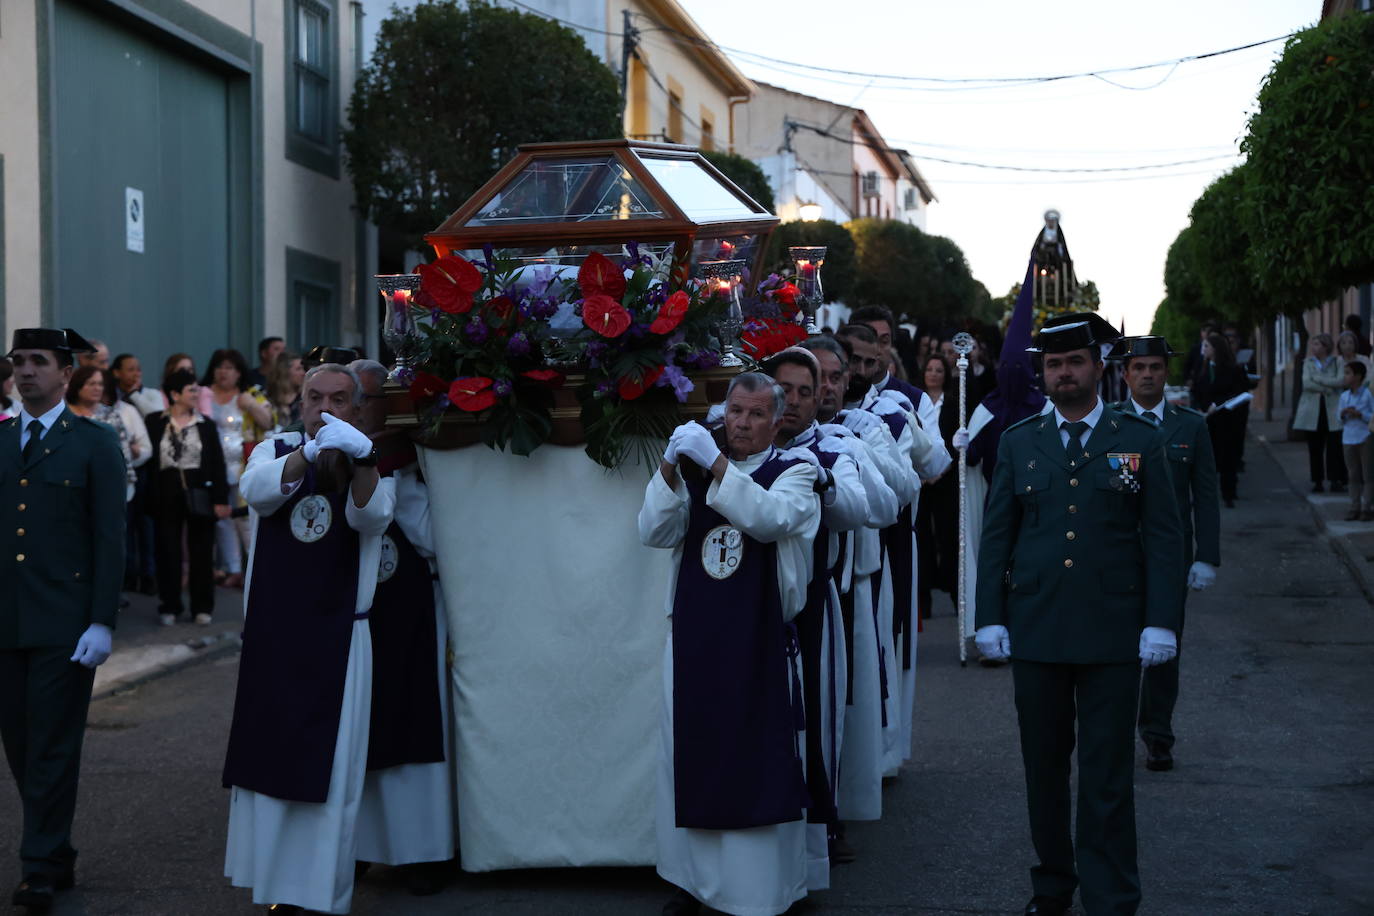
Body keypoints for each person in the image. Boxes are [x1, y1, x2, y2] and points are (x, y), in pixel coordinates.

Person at [975, 320, 1185, 916]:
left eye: (1073, 362)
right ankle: (1052, 885)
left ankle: (1111, 894)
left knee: (1107, 774)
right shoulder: (1019, 441)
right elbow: (997, 541)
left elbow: (1165, 537)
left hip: (1114, 631)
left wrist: (1161, 621)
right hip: (1038, 630)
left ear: (1099, 367)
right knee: (1044, 770)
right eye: (1053, 364)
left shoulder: (1139, 439)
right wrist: (988, 616)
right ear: (1042, 373)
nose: (1062, 373)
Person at [638, 372, 819, 916]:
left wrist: (714, 465)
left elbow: (769, 519)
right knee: (691, 751)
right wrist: (670, 463)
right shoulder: (694, 470)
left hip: (760, 637)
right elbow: (652, 530)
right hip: (695, 635)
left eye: (756, 414)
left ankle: (764, 891)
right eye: (736, 411)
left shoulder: (796, 470)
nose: (742, 423)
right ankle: (694, 884)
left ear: (776, 421)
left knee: (756, 756)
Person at [222, 363, 394, 914]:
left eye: (339, 399)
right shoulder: (272, 448)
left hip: (342, 636)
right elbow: (257, 492)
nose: (325, 408)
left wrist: (360, 458)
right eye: (314, 397)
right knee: (272, 762)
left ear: (357, 407)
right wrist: (308, 453)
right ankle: (274, 887)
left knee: (333, 772)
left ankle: (321, 894)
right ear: (299, 402)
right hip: (277, 633)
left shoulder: (369, 457)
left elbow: (373, 518)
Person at [1, 328, 126, 911]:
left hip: (64, 623)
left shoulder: (95, 443)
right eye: (18, 361)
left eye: (38, 362)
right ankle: (56, 850)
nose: (26, 371)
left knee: (51, 746)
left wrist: (102, 620)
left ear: (65, 373)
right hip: (6, 620)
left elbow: (109, 538)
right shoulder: (2, 441)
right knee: (21, 747)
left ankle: (38, 868)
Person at [764, 348, 874, 891]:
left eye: (807, 392)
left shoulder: (832, 448)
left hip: (809, 604)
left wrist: (824, 483)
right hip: (745, 609)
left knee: (816, 721)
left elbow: (859, 509)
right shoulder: (736, 446)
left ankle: (819, 830)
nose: (797, 401)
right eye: (785, 390)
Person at [347, 359, 454, 895]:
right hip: (355, 617)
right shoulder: (322, 456)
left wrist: (400, 486)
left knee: (414, 722)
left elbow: (441, 543)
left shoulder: (415, 459)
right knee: (358, 727)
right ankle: (359, 848)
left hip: (412, 610)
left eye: (361, 398)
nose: (352, 408)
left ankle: (423, 852)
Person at [1110, 336, 1221, 772]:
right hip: (1120, 553)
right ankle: (1115, 733)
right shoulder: (1113, 424)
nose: (1148, 375)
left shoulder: (1190, 426)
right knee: (1117, 649)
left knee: (1164, 647)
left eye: (1155, 367)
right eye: (1139, 368)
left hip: (1171, 556)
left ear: (1166, 372)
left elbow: (1206, 495)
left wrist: (1206, 556)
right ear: (1125, 375)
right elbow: (1114, 496)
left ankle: (1157, 735)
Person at [145, 370, 230, 626]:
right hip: (166, 490)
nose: (196, 394)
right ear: (174, 394)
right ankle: (169, 604)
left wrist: (220, 499)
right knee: (167, 550)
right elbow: (149, 461)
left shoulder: (206, 424)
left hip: (199, 489)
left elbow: (217, 464)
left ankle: (202, 607)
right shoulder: (154, 421)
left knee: (202, 550)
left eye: (197, 389)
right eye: (191, 390)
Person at [199, 349, 273, 588]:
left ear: (239, 372)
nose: (224, 372)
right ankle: (232, 569)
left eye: (230, 367)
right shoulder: (204, 394)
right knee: (222, 518)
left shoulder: (249, 394)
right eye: (220, 367)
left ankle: (258, 565)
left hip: (242, 463)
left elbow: (269, 421)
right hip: (212, 465)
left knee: (245, 518)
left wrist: (251, 405)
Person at [1189, 333, 1251, 508]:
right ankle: (1201, 495)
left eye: (1207, 346)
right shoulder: (1202, 369)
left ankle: (1229, 494)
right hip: (1206, 421)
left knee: (1227, 459)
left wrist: (1217, 404)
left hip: (1227, 421)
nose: (1204, 349)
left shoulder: (1234, 370)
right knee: (1204, 461)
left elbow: (1240, 392)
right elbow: (1196, 392)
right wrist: (1200, 407)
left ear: (1216, 349)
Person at [1293, 333, 1345, 494]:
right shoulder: (1308, 363)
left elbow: (1340, 381)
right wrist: (1328, 388)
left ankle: (1335, 479)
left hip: (1332, 409)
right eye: (1313, 344)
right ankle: (1317, 481)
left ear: (1325, 346)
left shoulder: (1337, 362)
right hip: (1313, 410)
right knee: (1315, 447)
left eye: (1317, 344)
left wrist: (1319, 379)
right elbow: (1307, 383)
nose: (1313, 347)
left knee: (1334, 447)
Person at [1338, 361, 1374, 521]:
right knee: (1353, 474)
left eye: (1348, 373)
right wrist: (1344, 414)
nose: (1345, 377)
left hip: (1364, 436)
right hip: (1348, 437)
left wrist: (1361, 415)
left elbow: (1372, 415)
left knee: (1368, 473)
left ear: (1358, 376)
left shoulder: (1367, 394)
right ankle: (1354, 506)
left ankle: (1367, 507)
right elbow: (1338, 418)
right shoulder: (1344, 396)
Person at [111, 353, 166, 418]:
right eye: (131, 370)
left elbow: (158, 418)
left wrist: (133, 393)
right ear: (116, 373)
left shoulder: (153, 394)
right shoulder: (110, 395)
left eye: (138, 370)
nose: (136, 374)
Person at [266, 350, 306, 432]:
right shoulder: (268, 399)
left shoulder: (304, 397)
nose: (303, 373)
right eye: (298, 369)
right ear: (285, 372)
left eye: (303, 369)